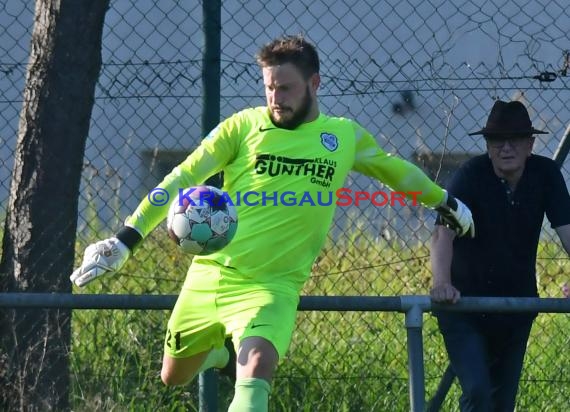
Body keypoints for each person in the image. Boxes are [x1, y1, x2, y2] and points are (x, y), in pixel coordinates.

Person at [71, 34, 474, 412]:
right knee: (172, 377)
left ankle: (236, 355)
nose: (274, 98)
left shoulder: (342, 137)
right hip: (213, 274)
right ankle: (221, 353)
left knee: (259, 362)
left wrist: (446, 201)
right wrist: (125, 239)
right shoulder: (244, 126)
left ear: (314, 83)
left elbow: (396, 172)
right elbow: (182, 177)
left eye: (285, 88)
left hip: (273, 286)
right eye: (269, 87)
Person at [430, 100, 570, 411]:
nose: (506, 148)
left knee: (502, 403)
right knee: (478, 392)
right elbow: (442, 233)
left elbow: (567, 230)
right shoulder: (471, 175)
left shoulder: (545, 174)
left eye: (515, 139)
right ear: (488, 145)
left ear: (530, 144)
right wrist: (441, 282)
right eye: (497, 141)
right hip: (464, 308)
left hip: (515, 308)